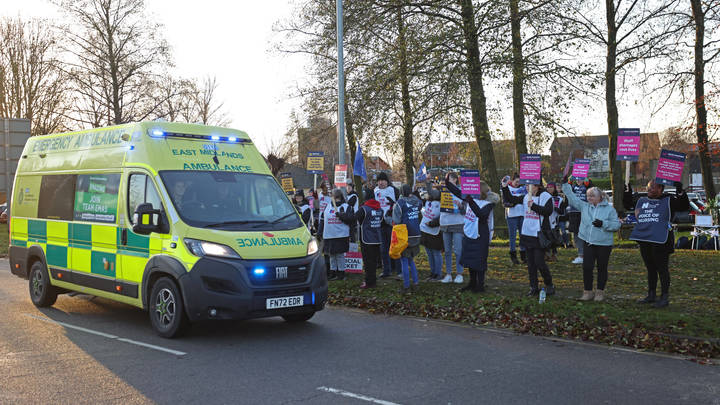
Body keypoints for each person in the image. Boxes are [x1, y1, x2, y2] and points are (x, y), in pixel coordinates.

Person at [628, 180, 689, 308]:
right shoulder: (642, 200)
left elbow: (684, 207)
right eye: (648, 187)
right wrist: (626, 191)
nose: (649, 189)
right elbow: (628, 204)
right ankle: (651, 294)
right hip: (645, 239)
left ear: (661, 189)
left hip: (661, 240)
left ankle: (664, 297)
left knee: (662, 269)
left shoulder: (669, 199)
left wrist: (679, 191)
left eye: (653, 187)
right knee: (650, 268)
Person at [562, 178, 621, 301]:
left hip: (604, 244)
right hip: (588, 242)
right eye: (588, 195)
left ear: (600, 197)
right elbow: (572, 198)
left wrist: (603, 224)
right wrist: (565, 184)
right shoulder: (584, 206)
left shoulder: (609, 209)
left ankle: (599, 292)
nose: (589, 198)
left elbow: (616, 225)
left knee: (601, 268)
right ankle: (587, 292)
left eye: (592, 196)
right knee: (587, 267)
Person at [446, 175, 499, 292]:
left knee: (479, 262)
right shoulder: (472, 199)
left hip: (481, 235)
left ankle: (480, 285)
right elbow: (458, 192)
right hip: (469, 233)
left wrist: (470, 201)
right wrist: (447, 183)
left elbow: (481, 215)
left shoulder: (488, 204)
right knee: (470, 260)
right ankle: (472, 282)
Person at [504, 181, 555, 296]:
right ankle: (533, 287)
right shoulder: (526, 196)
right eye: (526, 186)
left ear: (537, 186)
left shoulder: (546, 196)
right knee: (531, 263)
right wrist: (504, 187)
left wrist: (534, 206)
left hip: (539, 234)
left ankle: (549, 284)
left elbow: (548, 211)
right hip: (527, 234)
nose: (526, 188)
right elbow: (511, 199)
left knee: (539, 262)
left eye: (529, 186)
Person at [391, 184, 423, 294]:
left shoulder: (399, 203)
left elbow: (396, 220)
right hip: (416, 233)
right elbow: (419, 205)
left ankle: (406, 286)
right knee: (411, 260)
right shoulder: (417, 201)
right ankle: (416, 283)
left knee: (404, 260)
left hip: (405, 235)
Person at [318, 189, 354, 281]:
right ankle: (332, 272)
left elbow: (351, 220)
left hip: (341, 235)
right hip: (329, 235)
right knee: (332, 255)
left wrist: (341, 216)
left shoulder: (347, 207)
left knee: (340, 255)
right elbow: (322, 220)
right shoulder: (327, 206)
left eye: (338, 198)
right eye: (335, 198)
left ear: (341, 197)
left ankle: (341, 273)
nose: (336, 200)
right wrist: (319, 232)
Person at [439, 172, 465, 284]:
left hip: (458, 223)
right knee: (447, 250)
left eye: (449, 179)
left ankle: (459, 274)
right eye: (446, 179)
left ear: (455, 180)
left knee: (458, 250)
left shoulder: (461, 192)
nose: (447, 181)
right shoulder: (443, 191)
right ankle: (448, 274)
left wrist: (460, 206)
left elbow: (465, 211)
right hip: (445, 224)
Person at [374, 172, 400, 278]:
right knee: (383, 248)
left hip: (391, 222)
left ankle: (399, 270)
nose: (381, 183)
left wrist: (392, 211)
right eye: (379, 181)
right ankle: (386, 270)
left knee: (394, 246)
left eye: (383, 180)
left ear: (387, 181)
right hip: (380, 222)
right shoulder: (375, 191)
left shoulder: (393, 190)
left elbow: (398, 204)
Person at [355, 188, 383, 289]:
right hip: (377, 239)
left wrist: (340, 215)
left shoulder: (364, 209)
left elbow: (354, 218)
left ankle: (369, 282)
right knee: (374, 262)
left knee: (368, 262)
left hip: (366, 239)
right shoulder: (380, 209)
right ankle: (373, 281)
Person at [501, 173, 527, 265]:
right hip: (512, 215)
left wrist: (514, 200)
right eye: (516, 181)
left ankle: (524, 255)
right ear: (512, 180)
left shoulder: (523, 188)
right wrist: (514, 202)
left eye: (519, 182)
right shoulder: (507, 188)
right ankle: (513, 255)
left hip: (522, 214)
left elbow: (524, 199)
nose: (517, 183)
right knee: (512, 236)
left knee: (522, 235)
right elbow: (505, 201)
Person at [566, 177, 592, 264]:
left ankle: (588, 254)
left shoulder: (587, 187)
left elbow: (593, 191)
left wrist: (588, 182)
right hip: (574, 213)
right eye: (576, 179)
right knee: (577, 235)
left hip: (585, 213)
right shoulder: (572, 187)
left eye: (580, 179)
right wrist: (569, 180)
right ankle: (581, 255)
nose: (578, 181)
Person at [420, 188, 443, 281]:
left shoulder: (441, 205)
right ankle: (433, 272)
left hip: (435, 232)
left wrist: (432, 223)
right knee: (429, 253)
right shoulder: (427, 202)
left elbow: (442, 218)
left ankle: (438, 273)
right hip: (425, 231)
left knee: (436, 253)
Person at [546, 182, 566, 262]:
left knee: (553, 238)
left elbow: (561, 212)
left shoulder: (559, 199)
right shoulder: (544, 196)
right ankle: (546, 254)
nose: (549, 189)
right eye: (548, 187)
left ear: (554, 188)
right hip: (545, 220)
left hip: (554, 221)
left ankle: (554, 254)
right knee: (545, 238)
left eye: (551, 187)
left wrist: (555, 208)